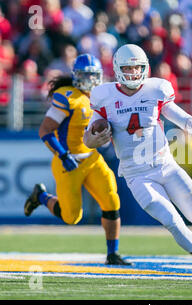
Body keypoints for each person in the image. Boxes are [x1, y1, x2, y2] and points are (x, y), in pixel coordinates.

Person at [83, 44, 192, 285]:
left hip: (166, 166)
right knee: (172, 220)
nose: (132, 73)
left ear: (145, 68)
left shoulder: (156, 89)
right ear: (118, 69)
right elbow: (89, 135)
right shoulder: (104, 95)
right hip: (136, 175)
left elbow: (178, 116)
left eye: (137, 68)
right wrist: (92, 139)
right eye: (127, 68)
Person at [24, 54, 132, 266]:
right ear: (76, 76)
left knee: (111, 200)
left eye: (94, 76)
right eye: (86, 75)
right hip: (68, 161)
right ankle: (42, 196)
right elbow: (45, 130)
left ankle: (113, 253)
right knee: (71, 217)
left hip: (91, 158)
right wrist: (63, 155)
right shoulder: (68, 97)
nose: (91, 80)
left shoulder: (103, 97)